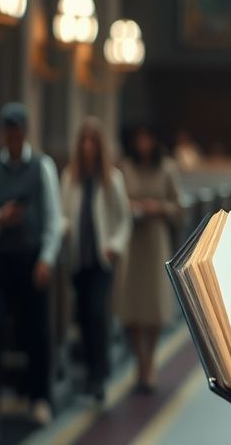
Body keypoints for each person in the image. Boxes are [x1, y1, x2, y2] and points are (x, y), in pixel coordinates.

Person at [0, 102, 64, 426]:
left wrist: (46, 259)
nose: (11, 136)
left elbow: (53, 219)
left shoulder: (43, 166)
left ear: (24, 132)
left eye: (17, 130)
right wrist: (0, 218)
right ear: (3, 132)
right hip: (0, 262)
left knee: (35, 333)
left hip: (32, 260)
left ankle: (39, 398)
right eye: (7, 131)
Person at [60, 118, 131, 404]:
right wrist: (63, 228)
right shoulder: (70, 177)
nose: (88, 145)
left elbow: (123, 219)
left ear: (100, 145)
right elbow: (63, 212)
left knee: (97, 313)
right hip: (78, 258)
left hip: (102, 259)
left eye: (93, 140)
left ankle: (99, 376)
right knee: (84, 317)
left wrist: (114, 245)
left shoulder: (111, 178)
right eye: (84, 140)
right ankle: (89, 373)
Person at [117, 123, 182, 393]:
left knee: (153, 304)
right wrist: (131, 207)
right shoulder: (126, 168)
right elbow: (116, 202)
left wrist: (158, 207)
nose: (143, 144)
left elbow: (179, 207)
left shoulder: (166, 167)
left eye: (147, 138)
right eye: (139, 139)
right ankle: (139, 361)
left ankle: (150, 362)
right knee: (131, 303)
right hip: (132, 238)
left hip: (155, 239)